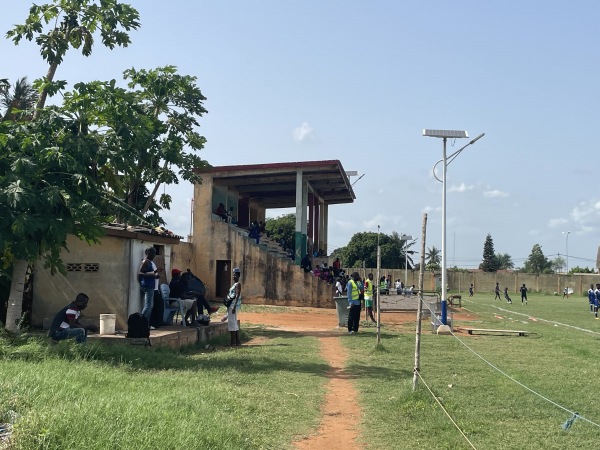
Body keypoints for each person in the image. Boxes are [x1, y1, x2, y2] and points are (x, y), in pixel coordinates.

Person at [139, 247, 161, 328]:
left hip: (150, 286)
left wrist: (156, 272)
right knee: (148, 306)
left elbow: (148, 272)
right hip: (147, 286)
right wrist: (152, 275)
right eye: (152, 253)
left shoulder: (150, 262)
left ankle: (146, 325)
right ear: (148, 253)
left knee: (150, 306)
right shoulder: (146, 261)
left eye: (154, 253)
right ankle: (140, 323)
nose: (154, 255)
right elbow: (140, 273)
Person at [223, 267, 242, 346]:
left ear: (238, 276)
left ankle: (232, 342)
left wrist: (234, 306)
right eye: (233, 275)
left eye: (235, 275)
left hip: (233, 306)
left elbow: (237, 295)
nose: (233, 277)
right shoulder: (234, 284)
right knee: (234, 323)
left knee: (231, 323)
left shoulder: (237, 284)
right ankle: (237, 342)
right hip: (231, 306)